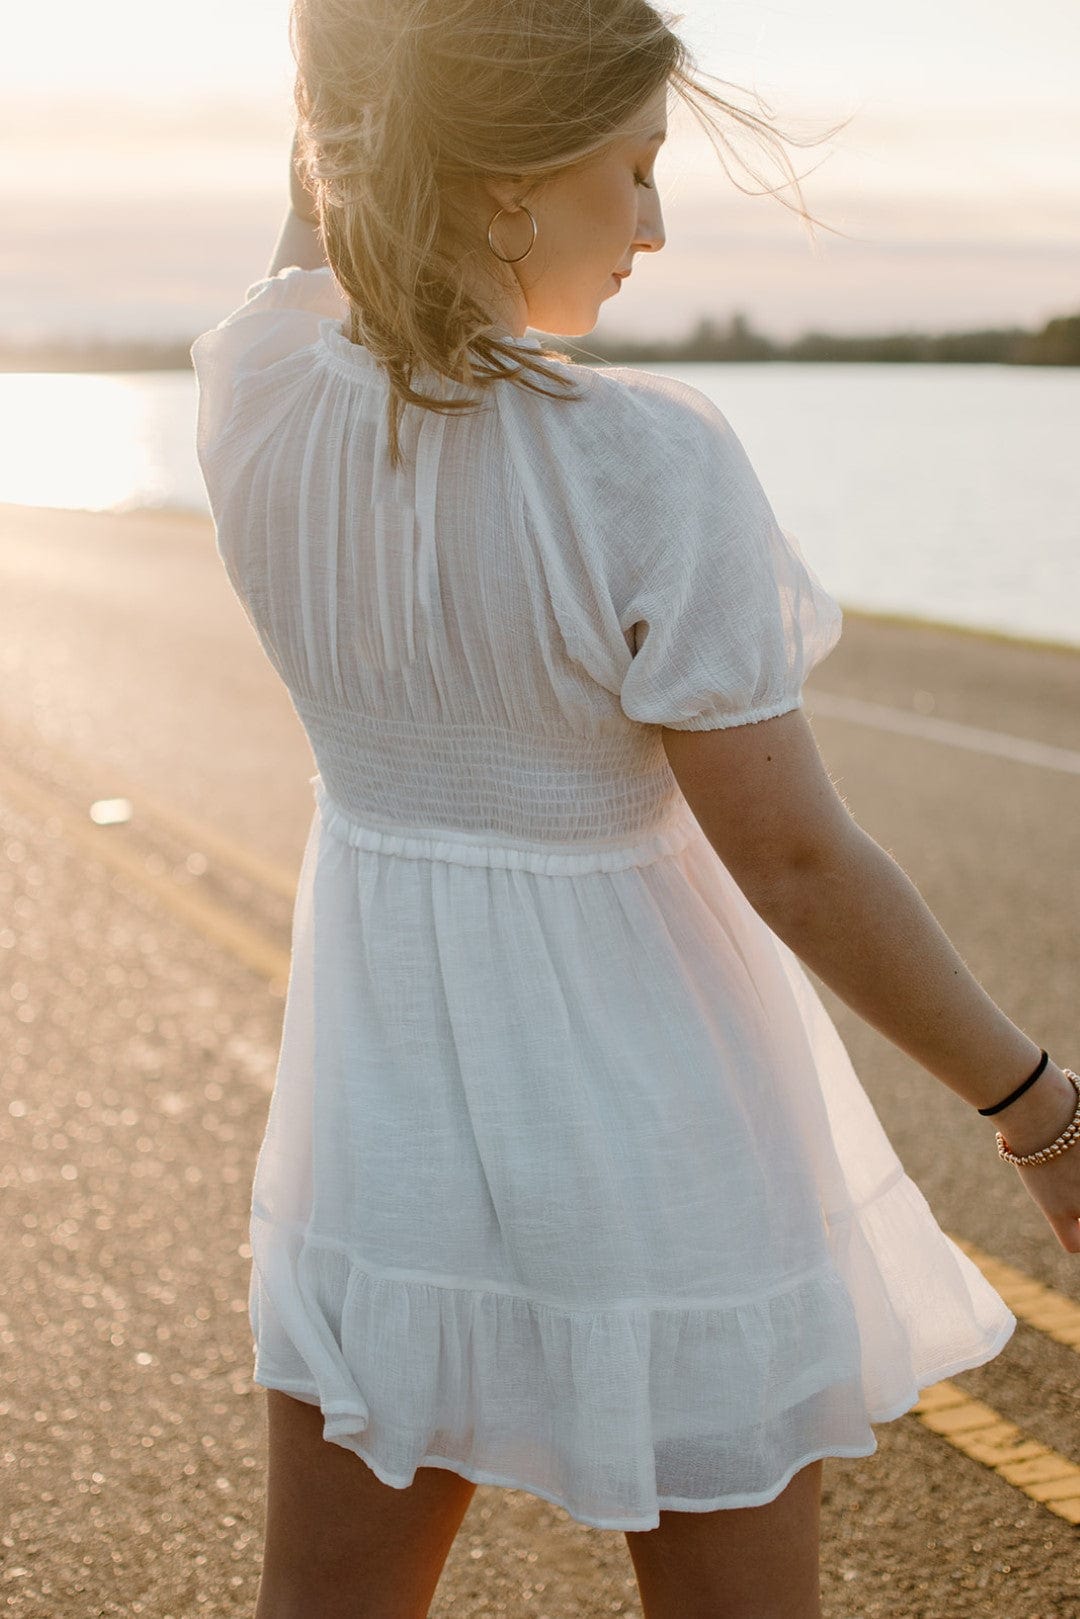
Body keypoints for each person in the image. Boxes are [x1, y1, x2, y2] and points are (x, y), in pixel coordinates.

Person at [190, 3, 1080, 1616]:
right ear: (513, 183)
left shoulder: (256, 387)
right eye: (640, 169)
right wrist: (1037, 1108)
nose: (657, 228)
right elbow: (799, 862)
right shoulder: (645, 462)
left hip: (372, 1133)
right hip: (658, 1144)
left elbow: (320, 167)